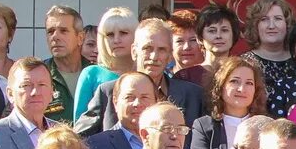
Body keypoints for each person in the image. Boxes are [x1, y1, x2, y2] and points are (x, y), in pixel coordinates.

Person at [77, 18, 209, 138]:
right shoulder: (108, 92)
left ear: (170, 56)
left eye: (162, 50)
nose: (154, 57)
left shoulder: (193, 96)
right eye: (147, 48)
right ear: (134, 52)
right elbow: (78, 139)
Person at [190, 56, 266, 149]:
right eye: (234, 81)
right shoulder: (203, 126)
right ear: (220, 86)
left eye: (249, 83)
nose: (242, 89)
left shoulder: (267, 125)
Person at [82, 72, 157, 149]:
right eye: (129, 97)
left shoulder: (174, 142)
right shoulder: (94, 147)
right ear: (115, 102)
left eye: (145, 97)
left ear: (156, 102)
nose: (137, 103)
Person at [244, 0, 296, 117]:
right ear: (255, 26)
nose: (271, 26)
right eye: (264, 19)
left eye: (278, 19)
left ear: (288, 24)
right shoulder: (245, 63)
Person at [73, 7, 137, 120]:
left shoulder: (145, 73)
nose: (116, 40)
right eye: (110, 35)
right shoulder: (91, 74)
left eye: (123, 33)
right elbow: (80, 124)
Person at [43, 5, 87, 124]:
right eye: (50, 31)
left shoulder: (96, 73)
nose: (55, 37)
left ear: (80, 38)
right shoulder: (39, 74)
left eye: (63, 31)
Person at [169, 8, 213, 94]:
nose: (186, 47)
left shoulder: (216, 76)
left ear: (203, 41)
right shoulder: (163, 77)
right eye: (179, 41)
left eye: (193, 40)